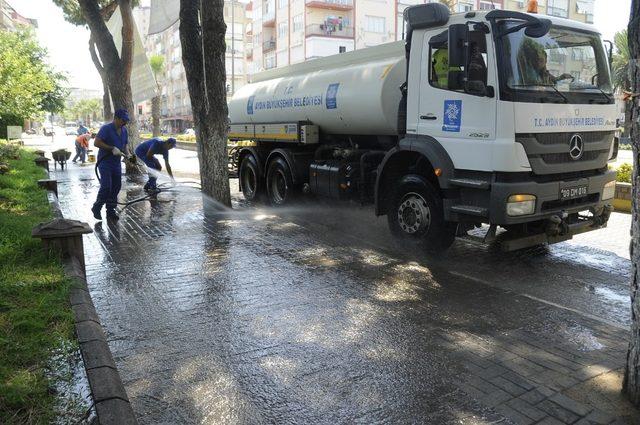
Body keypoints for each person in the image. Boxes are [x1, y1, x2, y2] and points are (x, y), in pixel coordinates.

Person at [91, 109, 132, 221]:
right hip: (105, 163)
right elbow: (96, 142)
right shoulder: (106, 129)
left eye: (126, 121)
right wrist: (111, 148)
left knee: (116, 186)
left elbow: (125, 145)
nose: (125, 123)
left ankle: (110, 211)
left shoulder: (124, 131)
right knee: (106, 187)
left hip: (116, 164)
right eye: (123, 120)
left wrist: (128, 155)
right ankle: (97, 207)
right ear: (116, 118)